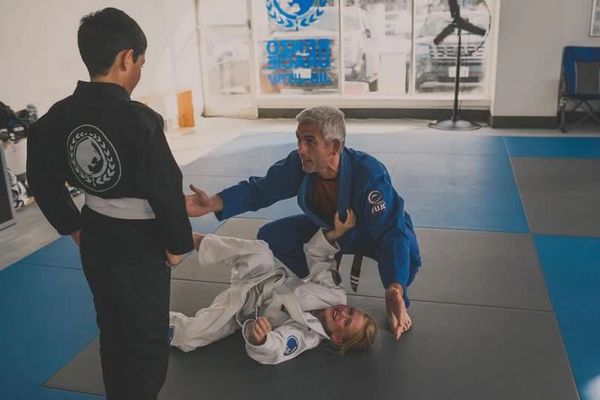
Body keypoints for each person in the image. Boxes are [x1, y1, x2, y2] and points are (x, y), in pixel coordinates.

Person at [26, 8, 193, 399]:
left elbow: (40, 176)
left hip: (96, 237)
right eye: (141, 63)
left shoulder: (59, 116)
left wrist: (72, 225)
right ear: (126, 59)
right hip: (141, 246)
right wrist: (176, 246)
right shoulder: (141, 120)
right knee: (148, 342)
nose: (139, 72)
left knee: (113, 330)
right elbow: (166, 187)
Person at [186, 106, 421, 340]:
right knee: (273, 235)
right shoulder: (300, 164)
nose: (301, 149)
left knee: (406, 252)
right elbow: (261, 190)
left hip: (372, 233)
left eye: (310, 141)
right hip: (332, 233)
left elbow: (391, 232)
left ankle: (396, 299)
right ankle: (308, 287)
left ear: (335, 146)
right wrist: (214, 203)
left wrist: (395, 287)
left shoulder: (369, 174)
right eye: (298, 139)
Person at [169, 209, 377, 364]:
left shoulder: (308, 336)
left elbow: (278, 348)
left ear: (338, 339)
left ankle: (147, 322)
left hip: (240, 310)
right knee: (262, 253)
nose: (343, 313)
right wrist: (334, 234)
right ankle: (186, 239)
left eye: (347, 322)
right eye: (351, 311)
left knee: (191, 337)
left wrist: (260, 340)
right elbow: (319, 257)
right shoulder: (334, 294)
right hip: (262, 276)